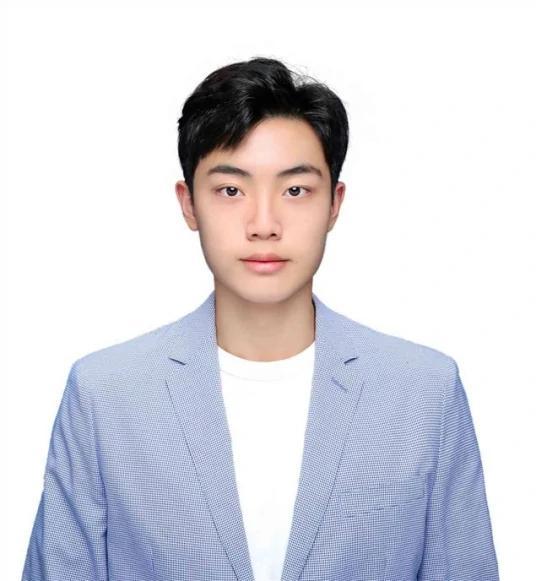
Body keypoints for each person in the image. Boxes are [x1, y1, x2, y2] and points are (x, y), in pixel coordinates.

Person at [21, 56, 499, 581]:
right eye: (231, 190)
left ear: (334, 204)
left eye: (295, 190)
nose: (264, 224)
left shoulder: (424, 393)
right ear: (189, 204)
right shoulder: (105, 396)